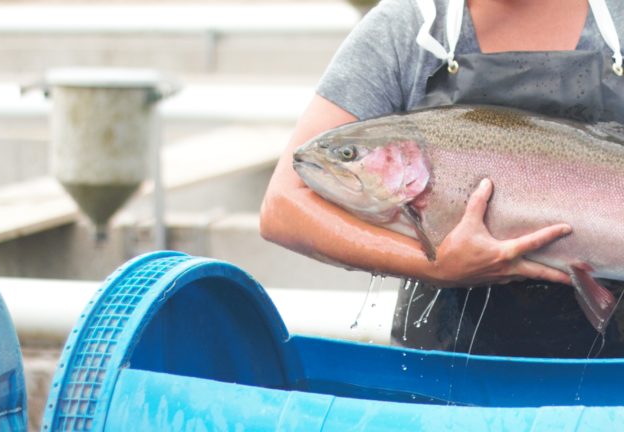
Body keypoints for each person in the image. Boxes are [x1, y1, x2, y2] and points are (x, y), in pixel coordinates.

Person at [260, 0, 624, 357]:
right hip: (443, 371)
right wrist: (435, 265)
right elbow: (283, 206)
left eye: (349, 155)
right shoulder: (406, 27)